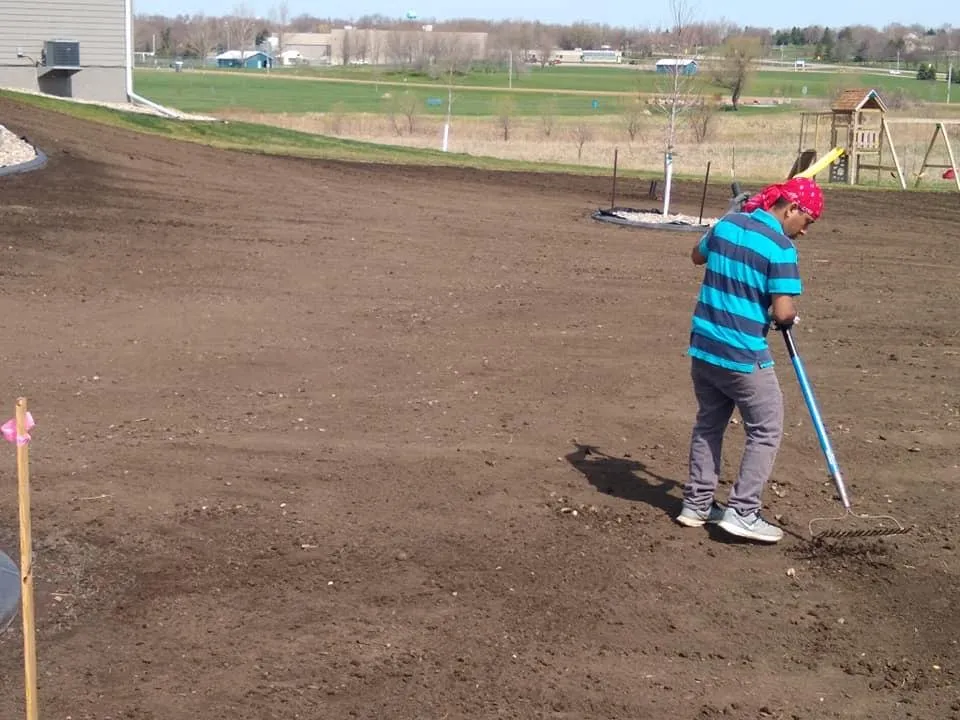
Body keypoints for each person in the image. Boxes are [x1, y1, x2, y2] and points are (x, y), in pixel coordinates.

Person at [676, 177, 824, 543]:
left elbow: (697, 255)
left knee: (709, 423)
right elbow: (784, 311)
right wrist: (787, 318)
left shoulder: (727, 224)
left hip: (704, 347)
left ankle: (696, 504)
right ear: (790, 209)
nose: (804, 232)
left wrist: (727, 218)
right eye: (806, 222)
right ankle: (743, 511)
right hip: (742, 354)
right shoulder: (781, 248)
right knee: (766, 427)